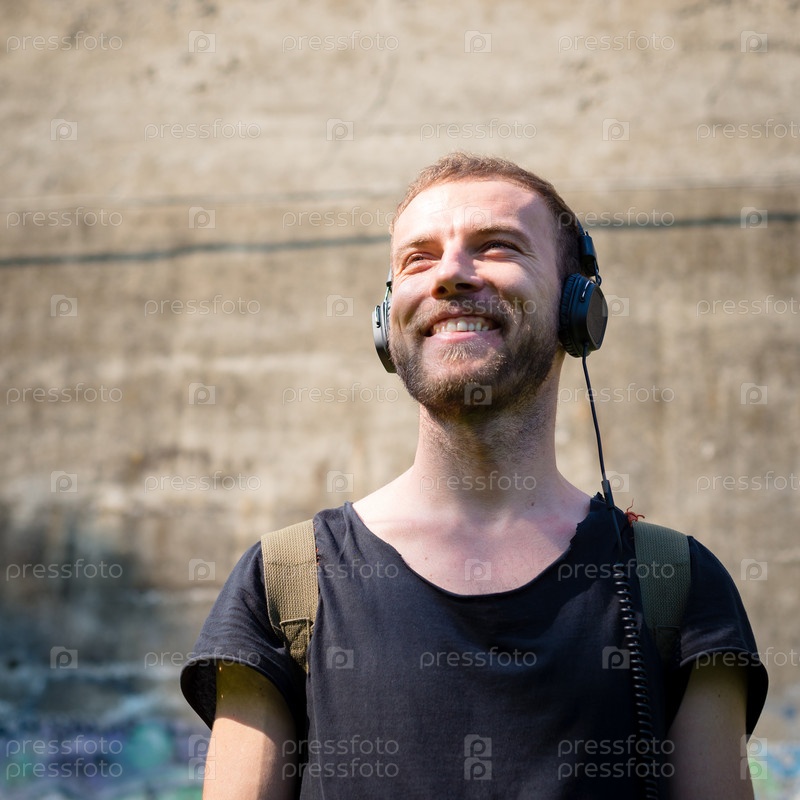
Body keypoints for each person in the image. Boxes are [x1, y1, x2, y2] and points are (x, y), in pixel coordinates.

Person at [181, 152, 768, 798]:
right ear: (387, 320)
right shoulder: (284, 582)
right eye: (419, 258)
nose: (450, 275)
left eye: (496, 247)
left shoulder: (676, 584)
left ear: (579, 305)